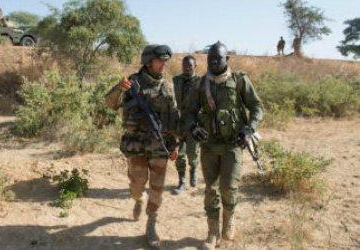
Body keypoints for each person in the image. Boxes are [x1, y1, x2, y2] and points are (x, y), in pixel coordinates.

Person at [184, 41, 263, 250]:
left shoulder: (239, 81)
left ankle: (229, 220)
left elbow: (256, 107)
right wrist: (192, 127)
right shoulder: (200, 84)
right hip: (209, 146)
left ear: (227, 59)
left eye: (218, 58)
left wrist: (248, 130)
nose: (214, 62)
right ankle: (212, 233)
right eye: (210, 59)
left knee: (228, 187)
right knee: (211, 189)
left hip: (232, 146)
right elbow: (189, 112)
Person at [105, 44, 180, 248]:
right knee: (137, 186)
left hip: (159, 147)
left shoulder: (168, 87)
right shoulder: (132, 83)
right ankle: (137, 199)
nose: (164, 64)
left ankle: (151, 222)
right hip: (136, 146)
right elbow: (110, 104)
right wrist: (118, 88)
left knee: (157, 188)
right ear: (149, 62)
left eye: (166, 60)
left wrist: (176, 145)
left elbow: (174, 120)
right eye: (160, 60)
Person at [171, 55, 200, 195]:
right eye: (184, 65)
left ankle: (194, 170)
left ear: (195, 66)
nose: (187, 68)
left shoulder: (200, 82)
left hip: (194, 123)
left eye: (190, 65)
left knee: (192, 153)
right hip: (179, 122)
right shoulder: (176, 80)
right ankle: (181, 181)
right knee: (179, 154)